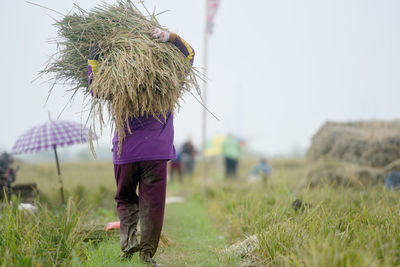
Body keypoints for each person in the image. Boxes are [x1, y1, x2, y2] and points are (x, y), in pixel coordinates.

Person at [88, 28, 194, 266]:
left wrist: (93, 59)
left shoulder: (117, 79)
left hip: (125, 152)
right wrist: (172, 38)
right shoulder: (169, 78)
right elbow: (189, 55)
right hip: (155, 153)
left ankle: (127, 244)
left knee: (125, 197)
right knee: (153, 203)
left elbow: (95, 88)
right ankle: (146, 254)